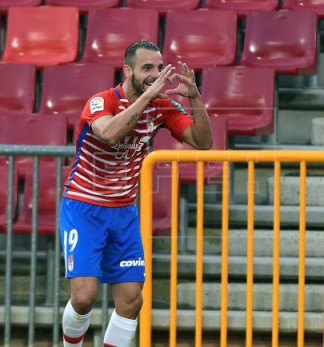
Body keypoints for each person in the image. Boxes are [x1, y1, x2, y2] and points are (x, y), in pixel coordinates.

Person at [59, 40, 213, 347]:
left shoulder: (160, 107)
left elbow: (202, 141)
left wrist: (195, 97)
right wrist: (147, 98)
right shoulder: (101, 102)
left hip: (124, 212)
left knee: (131, 301)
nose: (155, 75)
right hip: (84, 207)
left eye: (158, 68)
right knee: (85, 298)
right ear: (127, 71)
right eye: (147, 68)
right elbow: (110, 132)